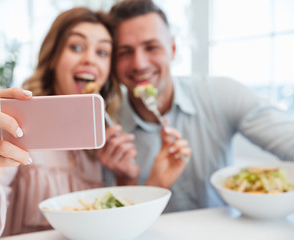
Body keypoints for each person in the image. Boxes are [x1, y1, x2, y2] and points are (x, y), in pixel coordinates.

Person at [0, 7, 132, 239]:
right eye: (76, 47)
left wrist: (126, 177)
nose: (90, 59)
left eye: (102, 52)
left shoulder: (102, 139)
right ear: (53, 59)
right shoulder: (18, 125)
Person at [98, 0, 294, 213]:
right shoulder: (106, 129)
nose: (139, 64)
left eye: (151, 47)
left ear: (172, 49)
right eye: (125, 52)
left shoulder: (222, 94)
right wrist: (132, 181)